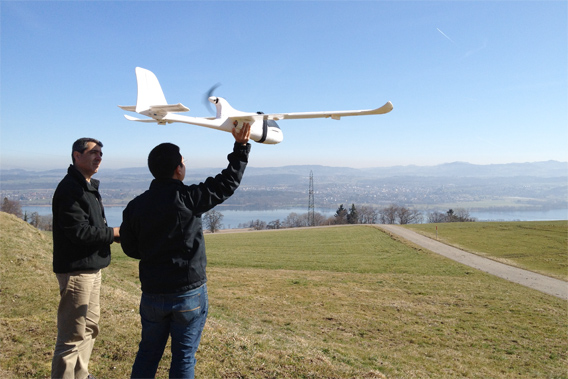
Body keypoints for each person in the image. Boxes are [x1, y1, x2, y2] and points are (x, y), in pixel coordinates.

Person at [120, 122, 252, 378]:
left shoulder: (135, 206)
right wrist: (241, 147)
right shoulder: (188, 198)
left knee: (147, 354)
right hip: (188, 293)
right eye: (183, 162)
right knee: (183, 358)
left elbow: (129, 247)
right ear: (178, 169)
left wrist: (152, 252)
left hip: (153, 294)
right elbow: (227, 182)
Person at [51, 137, 120, 379]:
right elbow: (79, 232)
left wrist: (110, 235)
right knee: (72, 335)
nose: (99, 156)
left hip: (91, 268)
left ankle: (80, 374)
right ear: (76, 156)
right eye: (93, 152)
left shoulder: (86, 185)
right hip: (76, 271)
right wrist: (113, 233)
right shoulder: (71, 188)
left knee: (90, 327)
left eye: (101, 153)